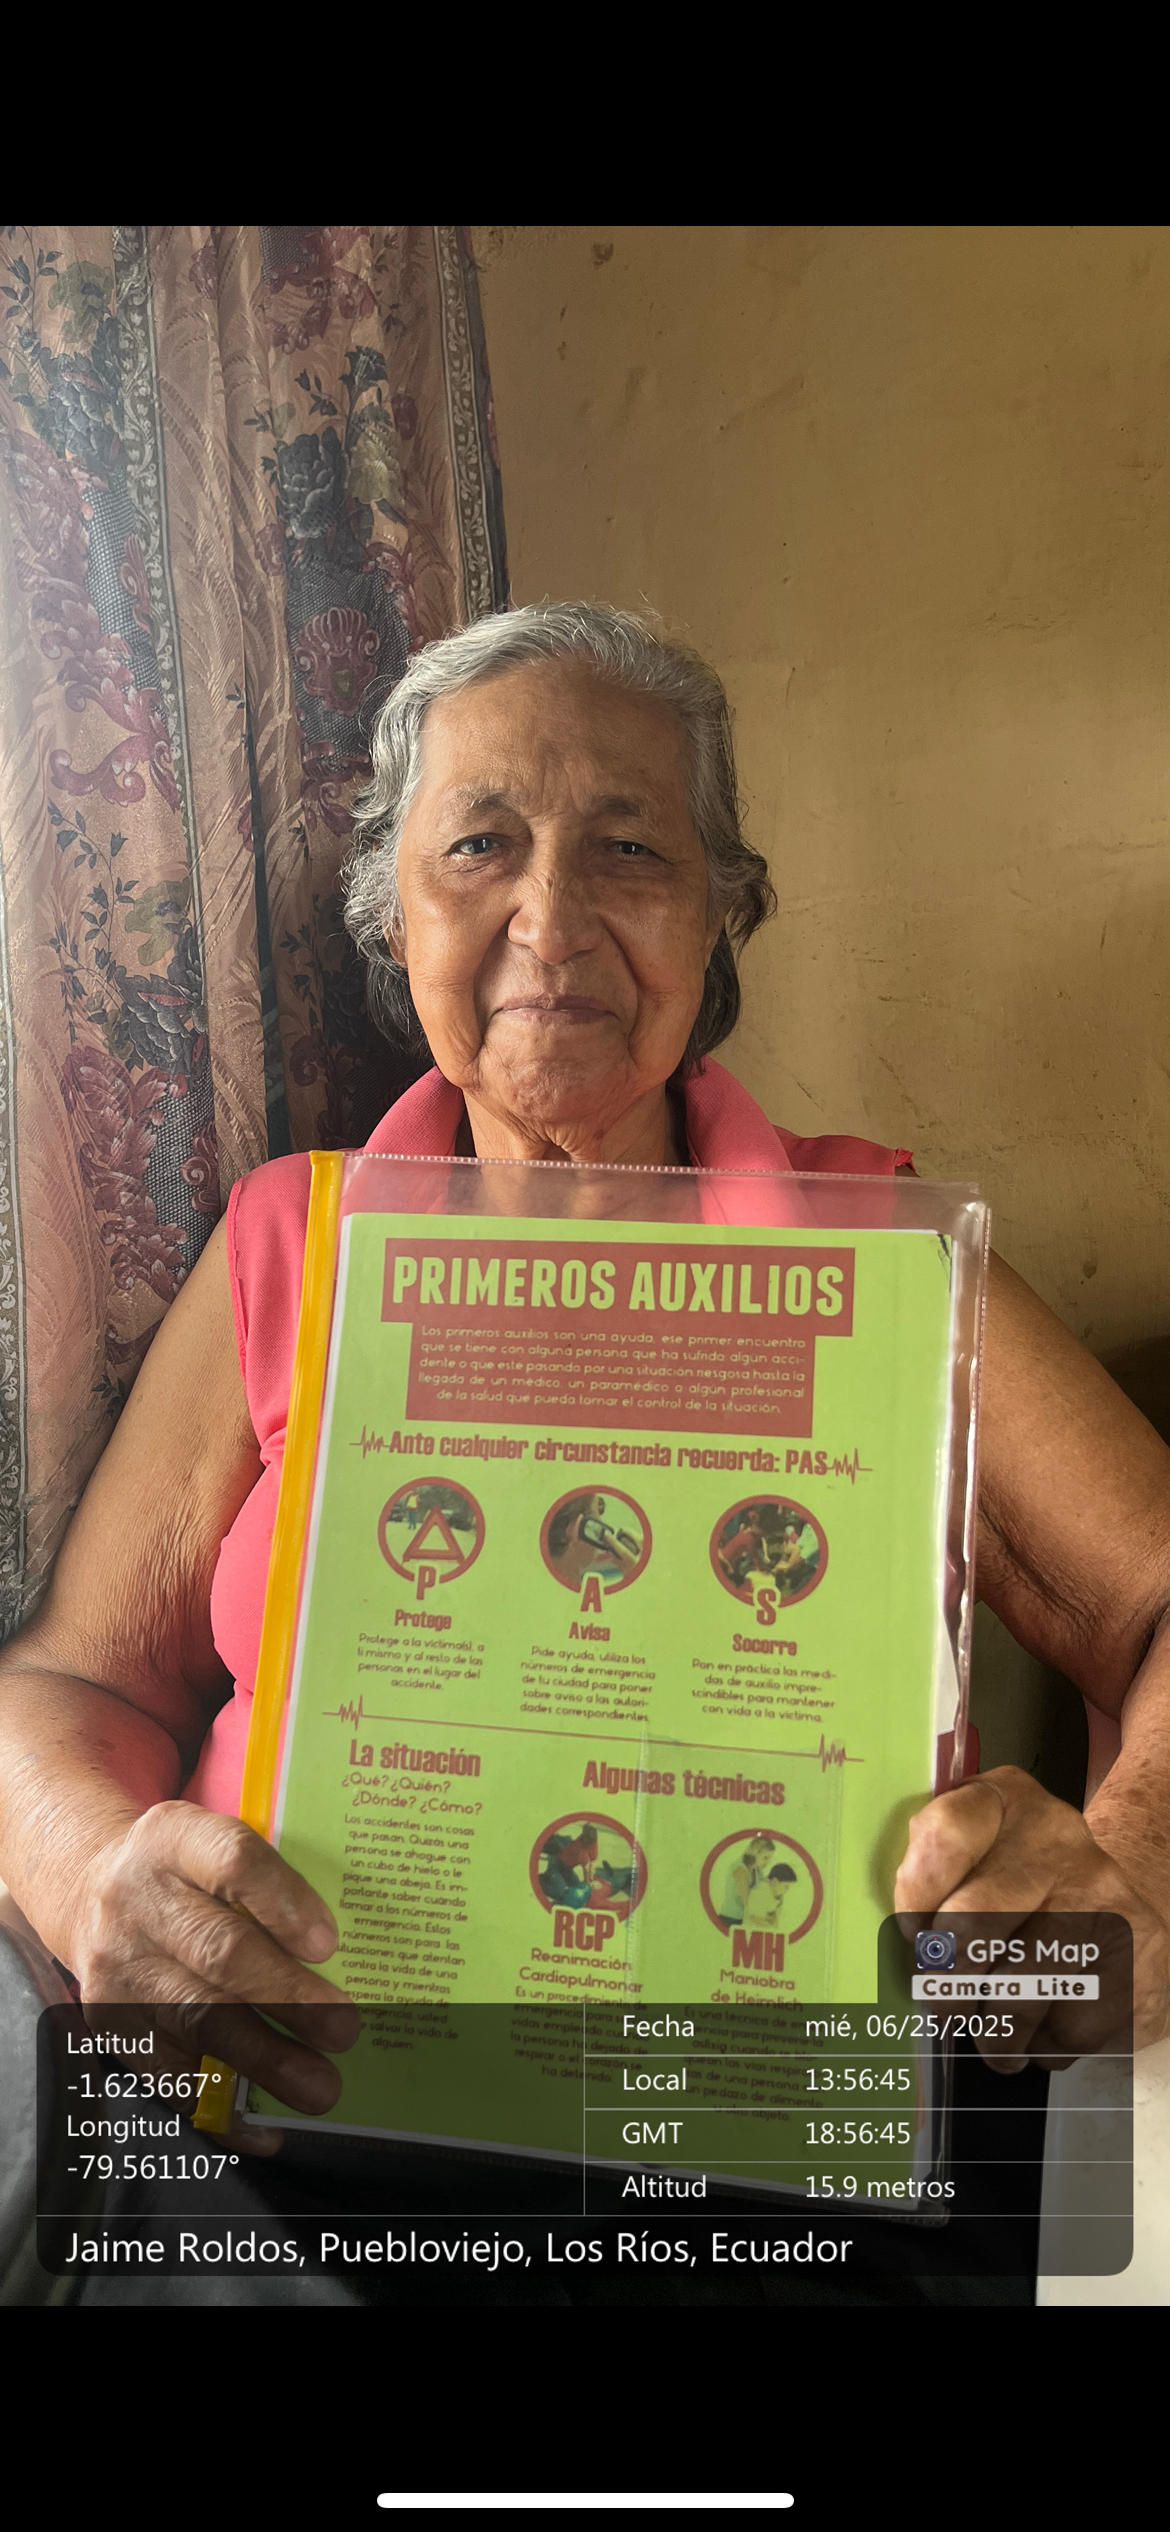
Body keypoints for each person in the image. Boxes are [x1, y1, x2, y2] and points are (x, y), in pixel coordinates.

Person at [2, 598, 1169, 2141]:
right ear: (393, 913)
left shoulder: (879, 1254)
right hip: (292, 2110)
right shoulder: (295, 1237)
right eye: (477, 847)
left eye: (628, 851)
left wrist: (1136, 1874)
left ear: (717, 915)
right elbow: (67, 1684)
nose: (549, 922)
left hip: (754, 2116)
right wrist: (94, 1874)